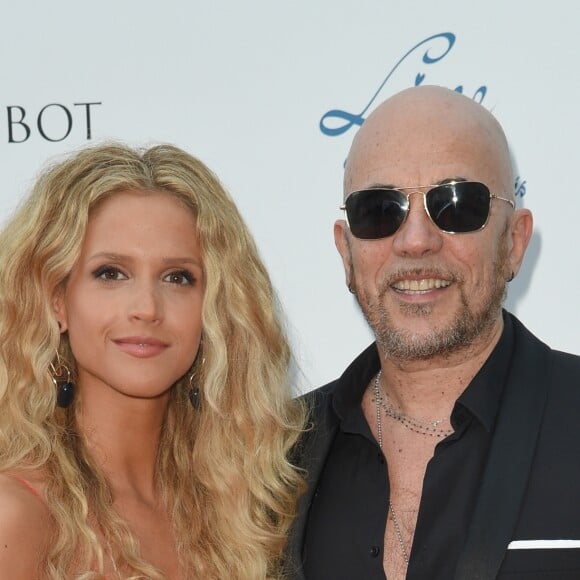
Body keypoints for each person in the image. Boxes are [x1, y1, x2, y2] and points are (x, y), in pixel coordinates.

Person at [288, 85, 580, 580]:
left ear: (514, 240)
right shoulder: (276, 453)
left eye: (456, 204)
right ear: (346, 251)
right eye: (379, 211)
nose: (416, 241)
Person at [0, 143, 306, 579]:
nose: (146, 307)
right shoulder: (17, 513)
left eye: (178, 277)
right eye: (110, 273)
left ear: (215, 307)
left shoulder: (237, 514)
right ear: (57, 301)